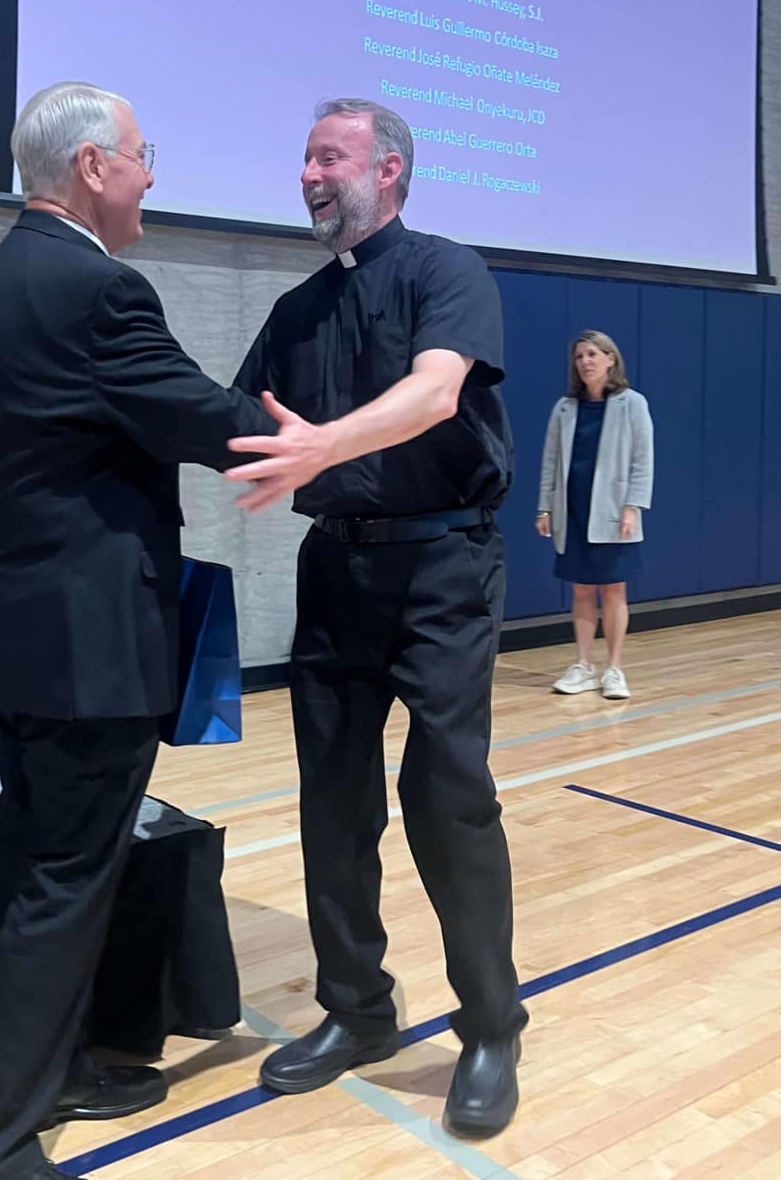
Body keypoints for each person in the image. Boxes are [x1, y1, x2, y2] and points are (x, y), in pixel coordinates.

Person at [0, 81, 276, 1180]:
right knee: (62, 887)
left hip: (13, 643)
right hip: (87, 654)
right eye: (141, 154)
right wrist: (336, 429)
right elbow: (207, 421)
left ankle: (62, 1068)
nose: (150, 174)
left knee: (33, 862)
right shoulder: (99, 292)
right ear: (91, 165)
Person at [226, 98, 528, 1140]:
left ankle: (492, 1025)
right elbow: (230, 418)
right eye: (304, 156)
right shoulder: (301, 309)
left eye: (330, 155)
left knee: (449, 794)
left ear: (388, 170)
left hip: (445, 562)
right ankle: (357, 1011)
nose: (309, 172)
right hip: (339, 573)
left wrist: (323, 448)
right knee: (333, 803)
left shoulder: (450, 270)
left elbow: (436, 393)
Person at [536, 330, 654, 699]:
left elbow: (643, 459)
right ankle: (583, 665)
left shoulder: (632, 403)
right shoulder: (564, 407)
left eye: (592, 354)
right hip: (572, 510)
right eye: (579, 356)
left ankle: (614, 669)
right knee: (582, 588)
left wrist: (633, 505)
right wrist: (545, 505)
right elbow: (550, 461)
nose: (585, 361)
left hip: (614, 510)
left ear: (610, 359)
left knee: (614, 589)